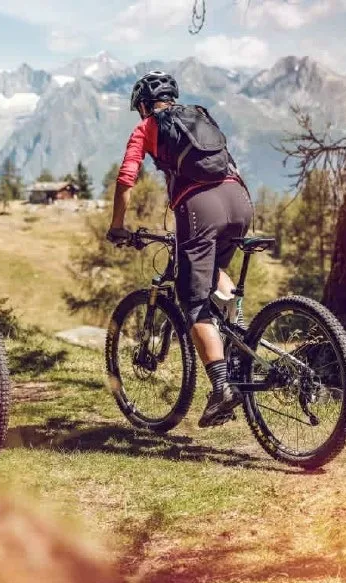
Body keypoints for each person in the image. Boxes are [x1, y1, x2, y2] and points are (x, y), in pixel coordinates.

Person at [107, 71, 254, 428]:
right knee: (213, 272)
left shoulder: (146, 127)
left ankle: (221, 388)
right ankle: (239, 341)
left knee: (194, 303)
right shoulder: (200, 115)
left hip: (201, 208)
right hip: (240, 199)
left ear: (142, 105)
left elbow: (127, 177)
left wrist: (117, 226)